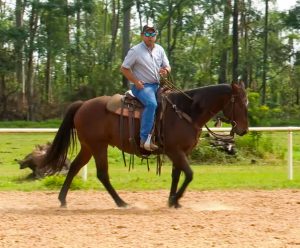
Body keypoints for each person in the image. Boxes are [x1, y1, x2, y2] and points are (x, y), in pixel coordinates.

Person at [121, 25, 171, 151]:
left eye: (152, 34)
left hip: (158, 85)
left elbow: (168, 66)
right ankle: (145, 140)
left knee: (173, 102)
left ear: (156, 36)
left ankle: (165, 136)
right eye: (147, 34)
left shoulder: (160, 49)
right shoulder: (135, 50)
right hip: (142, 86)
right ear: (142, 35)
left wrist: (165, 71)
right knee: (151, 104)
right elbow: (124, 68)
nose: (150, 37)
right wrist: (135, 81)